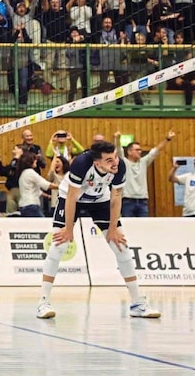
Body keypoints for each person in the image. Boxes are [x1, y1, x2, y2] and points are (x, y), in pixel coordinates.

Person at [37, 141, 161, 319]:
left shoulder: (120, 166)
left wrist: (112, 228)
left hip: (99, 200)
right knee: (59, 246)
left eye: (115, 157)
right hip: (71, 198)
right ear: (97, 163)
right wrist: (68, 229)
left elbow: (117, 196)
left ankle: (137, 304)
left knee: (121, 247)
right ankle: (43, 302)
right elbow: (72, 196)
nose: (115, 162)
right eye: (109, 160)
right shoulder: (81, 163)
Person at [116, 130, 175, 217]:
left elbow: (156, 150)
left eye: (140, 150)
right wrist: (117, 138)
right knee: (128, 227)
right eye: (137, 150)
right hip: (127, 201)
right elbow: (119, 150)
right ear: (129, 152)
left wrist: (167, 139)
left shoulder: (143, 162)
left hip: (142, 201)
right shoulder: (124, 163)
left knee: (143, 227)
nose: (140, 151)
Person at [16, 152, 57, 217]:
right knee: (43, 225)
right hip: (31, 205)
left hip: (23, 205)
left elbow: (37, 191)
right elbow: (46, 185)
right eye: (34, 159)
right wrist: (61, 186)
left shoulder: (23, 173)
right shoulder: (30, 172)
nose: (36, 161)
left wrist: (48, 196)